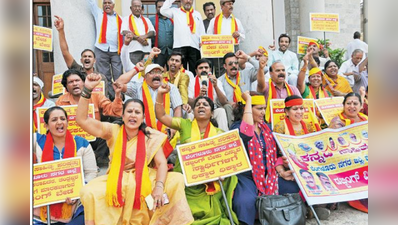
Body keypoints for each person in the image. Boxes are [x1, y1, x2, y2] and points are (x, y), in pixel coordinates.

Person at [76, 74, 193, 225]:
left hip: (145, 176)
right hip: (117, 178)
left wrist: (158, 187)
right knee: (88, 191)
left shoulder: (150, 135)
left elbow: (162, 163)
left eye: (137, 112)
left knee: (177, 179)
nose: (133, 115)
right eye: (129, 111)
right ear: (123, 115)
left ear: (143, 117)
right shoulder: (113, 130)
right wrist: (87, 90)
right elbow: (82, 120)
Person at [155, 86, 239, 225]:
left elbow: (224, 160)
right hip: (186, 181)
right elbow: (161, 116)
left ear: (212, 113)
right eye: (198, 104)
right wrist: (159, 94)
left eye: (205, 105)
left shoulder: (219, 134)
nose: (201, 106)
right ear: (193, 111)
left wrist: (222, 172)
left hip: (210, 181)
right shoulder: (184, 124)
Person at [33, 106, 97, 225]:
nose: (59, 122)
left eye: (63, 119)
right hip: (42, 208)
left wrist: (78, 193)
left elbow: (91, 173)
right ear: (46, 125)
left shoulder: (82, 143)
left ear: (67, 122)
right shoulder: (37, 141)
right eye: (54, 120)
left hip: (75, 205)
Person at [56, 69, 124, 165]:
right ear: (66, 87)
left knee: (112, 129)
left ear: (84, 83)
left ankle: (97, 159)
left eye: (77, 80)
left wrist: (117, 95)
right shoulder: (61, 101)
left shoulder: (97, 96)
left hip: (95, 136)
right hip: (72, 138)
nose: (75, 84)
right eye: (71, 82)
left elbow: (113, 111)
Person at [230, 92, 278, 225]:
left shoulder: (267, 128)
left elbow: (278, 153)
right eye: (259, 108)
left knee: (291, 187)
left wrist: (280, 165)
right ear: (248, 109)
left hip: (270, 173)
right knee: (245, 201)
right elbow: (247, 132)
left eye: (264, 108)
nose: (263, 112)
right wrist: (249, 100)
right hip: (246, 175)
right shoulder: (236, 127)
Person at [329, 92, 368, 213]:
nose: (352, 106)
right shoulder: (337, 122)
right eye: (348, 103)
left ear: (361, 106)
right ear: (343, 105)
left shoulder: (365, 119)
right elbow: (332, 145)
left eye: (355, 103)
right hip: (346, 158)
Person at [54, 16, 110, 98]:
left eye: (90, 56)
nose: (87, 58)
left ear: (94, 60)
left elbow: (104, 96)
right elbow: (65, 52)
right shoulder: (76, 70)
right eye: (85, 56)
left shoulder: (101, 77)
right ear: (81, 60)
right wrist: (61, 31)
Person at [87, 0, 123, 100]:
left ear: (113, 5)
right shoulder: (98, 13)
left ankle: (119, 98)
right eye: (105, 3)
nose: (107, 5)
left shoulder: (121, 19)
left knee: (118, 76)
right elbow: (91, 2)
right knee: (104, 76)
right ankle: (109, 98)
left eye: (109, 3)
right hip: (101, 49)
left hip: (116, 51)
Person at [160, 0, 206, 74]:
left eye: (190, 0)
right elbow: (163, 10)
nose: (188, 1)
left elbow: (202, 31)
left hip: (194, 47)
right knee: (179, 72)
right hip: (179, 46)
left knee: (194, 70)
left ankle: (193, 85)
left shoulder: (197, 14)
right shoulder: (175, 11)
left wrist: (202, 43)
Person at [218, 51, 259, 126]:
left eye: (236, 63)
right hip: (232, 111)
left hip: (247, 108)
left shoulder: (246, 74)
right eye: (230, 64)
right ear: (225, 66)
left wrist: (247, 58)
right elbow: (219, 101)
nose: (234, 66)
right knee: (227, 107)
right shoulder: (220, 81)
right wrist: (228, 103)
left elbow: (263, 69)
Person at [188, 58, 229, 131]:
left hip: (212, 111)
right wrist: (199, 96)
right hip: (196, 110)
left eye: (206, 68)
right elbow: (189, 102)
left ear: (210, 70)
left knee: (221, 111)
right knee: (189, 114)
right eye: (201, 68)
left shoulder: (217, 81)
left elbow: (224, 101)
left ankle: (224, 138)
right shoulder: (191, 82)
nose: (204, 70)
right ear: (196, 71)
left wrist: (215, 86)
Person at [256, 57, 301, 124]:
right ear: (270, 73)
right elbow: (260, 84)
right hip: (269, 124)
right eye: (278, 70)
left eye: (283, 70)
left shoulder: (293, 89)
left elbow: (300, 105)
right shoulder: (266, 86)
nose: (281, 72)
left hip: (290, 123)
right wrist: (261, 68)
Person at [121, 0, 155, 65]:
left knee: (147, 72)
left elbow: (152, 32)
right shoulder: (126, 19)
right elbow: (125, 32)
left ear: (141, 8)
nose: (137, 8)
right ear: (131, 8)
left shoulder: (146, 20)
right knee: (134, 72)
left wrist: (144, 37)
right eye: (135, 6)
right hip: (133, 51)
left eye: (139, 6)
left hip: (146, 51)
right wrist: (139, 39)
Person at [149, 0, 174, 67]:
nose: (161, 9)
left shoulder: (172, 20)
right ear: (156, 8)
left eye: (163, 7)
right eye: (159, 7)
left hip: (171, 52)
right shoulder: (151, 20)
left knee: (173, 74)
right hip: (158, 52)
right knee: (157, 72)